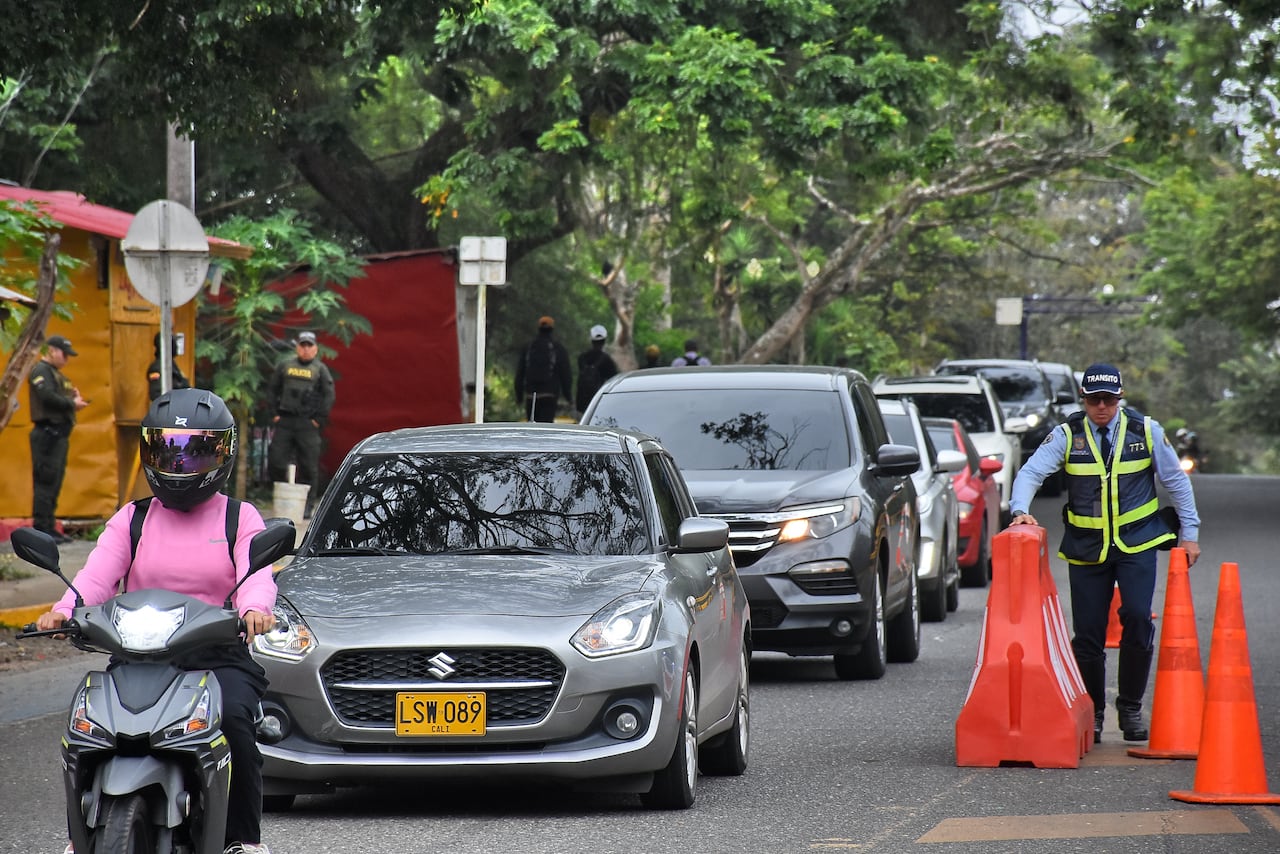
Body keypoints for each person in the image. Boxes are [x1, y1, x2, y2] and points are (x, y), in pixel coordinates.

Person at [36, 388, 277, 854]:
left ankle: (243, 842)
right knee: (89, 730)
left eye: (196, 452)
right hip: (138, 655)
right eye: (168, 451)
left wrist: (254, 611)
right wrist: (65, 610)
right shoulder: (133, 519)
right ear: (149, 452)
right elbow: (96, 576)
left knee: (232, 723)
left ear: (221, 453)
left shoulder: (238, 517)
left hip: (217, 656)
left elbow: (257, 575)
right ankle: (78, 838)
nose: (180, 465)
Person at [1008, 363, 1200, 745]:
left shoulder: (1146, 431)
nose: (1101, 407)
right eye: (1094, 400)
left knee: (1137, 619)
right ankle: (1093, 711)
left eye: (1108, 400)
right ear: (1083, 399)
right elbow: (1030, 473)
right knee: (1089, 634)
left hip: (1137, 544)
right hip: (1087, 549)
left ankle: (1129, 706)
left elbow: (1176, 480)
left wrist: (1189, 534)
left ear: (1120, 397)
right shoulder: (1067, 435)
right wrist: (1019, 510)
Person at [28, 334, 88, 544]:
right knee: (45, 482)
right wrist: (72, 404)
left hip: (58, 436)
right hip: (47, 435)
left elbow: (60, 395)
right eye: (64, 354)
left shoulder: (56, 373)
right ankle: (42, 528)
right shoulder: (41, 371)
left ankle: (49, 526)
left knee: (54, 482)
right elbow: (47, 397)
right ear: (51, 350)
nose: (66, 359)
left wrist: (74, 398)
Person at [265, 331, 334, 511]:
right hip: (286, 421)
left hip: (307, 424)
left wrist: (318, 419)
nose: (305, 349)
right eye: (302, 345)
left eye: (309, 345)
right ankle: (282, 500)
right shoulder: (285, 366)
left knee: (309, 465)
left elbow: (329, 395)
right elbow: (272, 389)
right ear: (297, 347)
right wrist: (274, 413)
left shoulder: (320, 369)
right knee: (276, 461)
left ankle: (307, 505)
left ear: (315, 349)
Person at [514, 315, 572, 422]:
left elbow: (520, 373)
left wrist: (519, 397)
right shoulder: (558, 348)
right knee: (545, 428)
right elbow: (566, 374)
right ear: (552, 329)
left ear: (539, 328)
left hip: (531, 396)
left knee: (532, 428)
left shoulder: (528, 347)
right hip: (549, 395)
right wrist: (568, 397)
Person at [575, 324, 619, 412]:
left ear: (592, 340)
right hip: (599, 400)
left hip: (583, 401)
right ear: (604, 341)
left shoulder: (582, 358)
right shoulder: (607, 360)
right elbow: (614, 379)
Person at [147, 332, 191, 401]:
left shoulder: (171, 364)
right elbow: (156, 394)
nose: (177, 346)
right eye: (174, 344)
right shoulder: (157, 367)